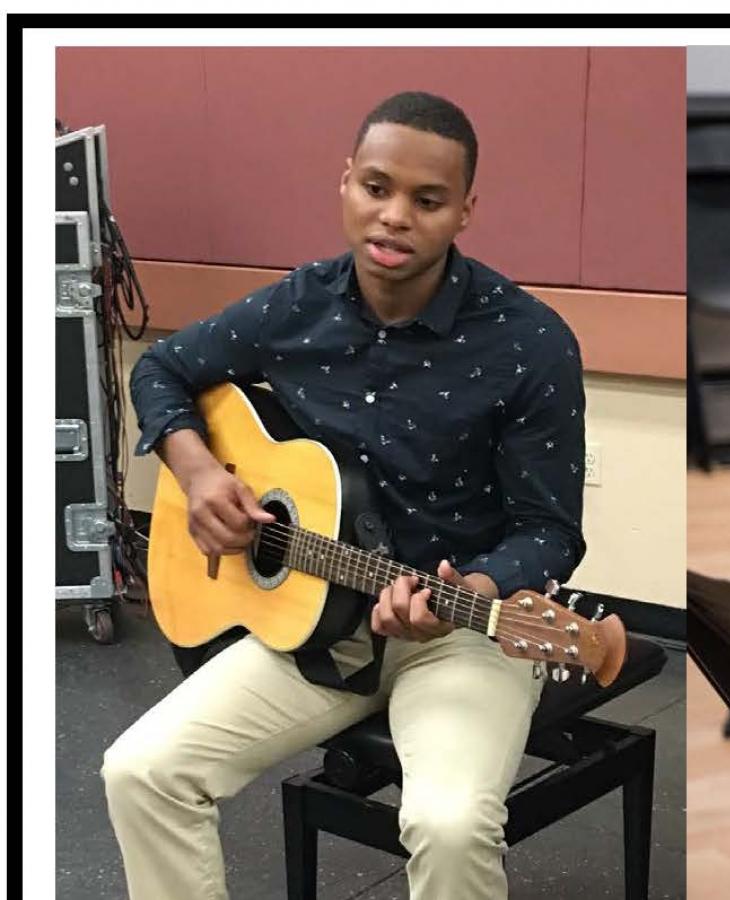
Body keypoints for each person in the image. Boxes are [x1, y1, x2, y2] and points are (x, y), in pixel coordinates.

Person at [102, 91, 586, 900]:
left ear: (466, 210)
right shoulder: (300, 303)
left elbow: (550, 532)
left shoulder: (529, 342)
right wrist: (197, 472)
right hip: (314, 628)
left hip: (463, 631)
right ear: (345, 184)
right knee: (141, 772)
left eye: (427, 201)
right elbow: (161, 370)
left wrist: (472, 589)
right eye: (376, 187)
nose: (394, 217)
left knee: (449, 825)